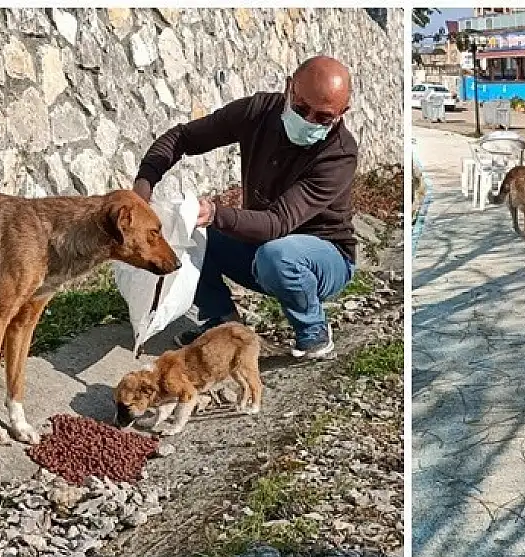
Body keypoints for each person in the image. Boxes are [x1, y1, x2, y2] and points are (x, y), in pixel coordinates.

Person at [133, 55, 358, 359]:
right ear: (289, 87)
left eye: (323, 118)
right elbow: (183, 138)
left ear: (342, 114)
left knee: (278, 254)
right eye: (302, 108)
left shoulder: (339, 155)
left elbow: (277, 223)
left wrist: (215, 213)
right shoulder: (257, 112)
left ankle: (314, 331)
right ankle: (222, 324)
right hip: (262, 248)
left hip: (324, 258)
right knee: (184, 230)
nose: (308, 121)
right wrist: (140, 193)